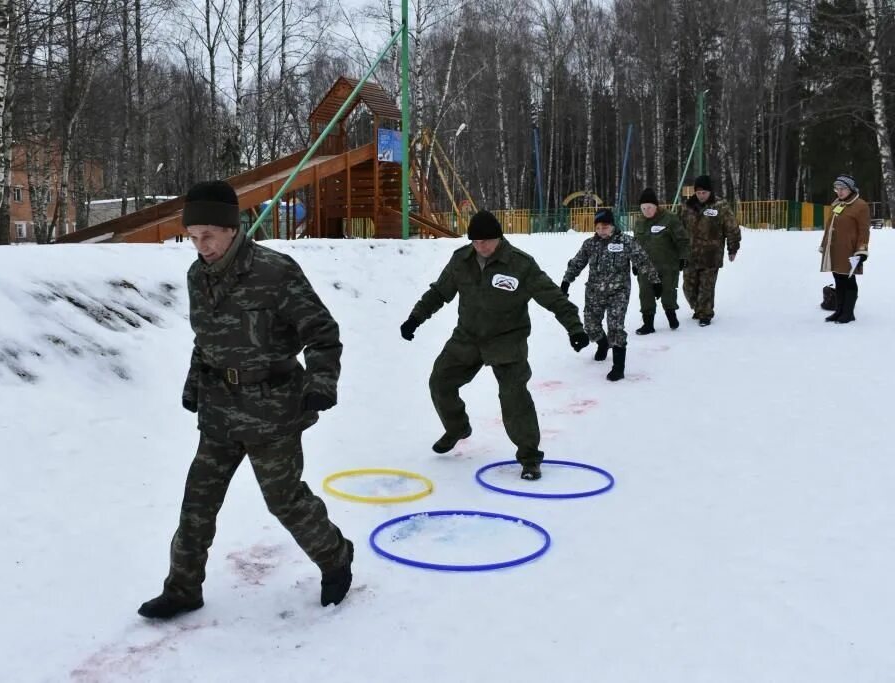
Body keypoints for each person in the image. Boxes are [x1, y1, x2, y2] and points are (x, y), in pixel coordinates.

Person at [138, 180, 353, 620]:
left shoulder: (276, 272)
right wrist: (194, 385)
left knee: (285, 500)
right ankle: (182, 588)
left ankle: (335, 557)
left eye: (209, 235)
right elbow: (207, 339)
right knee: (197, 502)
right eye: (193, 237)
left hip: (272, 410)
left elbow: (322, 335)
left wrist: (322, 383)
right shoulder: (198, 276)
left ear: (232, 228)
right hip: (219, 409)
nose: (201, 246)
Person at [400, 210, 588, 481]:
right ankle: (457, 428)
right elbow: (439, 292)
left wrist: (574, 328)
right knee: (440, 382)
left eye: (486, 241)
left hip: (507, 341)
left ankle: (529, 458)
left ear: (498, 237)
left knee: (514, 398)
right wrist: (415, 318)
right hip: (467, 337)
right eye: (476, 242)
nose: (481, 247)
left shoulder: (520, 264)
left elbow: (553, 297)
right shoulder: (461, 260)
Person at [561, 208, 661, 382]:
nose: (601, 231)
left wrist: (655, 281)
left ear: (613, 226)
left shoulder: (626, 242)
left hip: (618, 292)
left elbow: (643, 260)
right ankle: (602, 343)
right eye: (598, 227)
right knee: (590, 326)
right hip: (594, 292)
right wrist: (566, 282)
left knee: (615, 327)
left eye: (605, 227)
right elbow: (577, 263)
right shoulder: (590, 244)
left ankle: (618, 366)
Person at [679, 175, 740, 326]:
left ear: (710, 192)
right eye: (698, 193)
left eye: (704, 193)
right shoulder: (686, 206)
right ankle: (698, 307)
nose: (701, 196)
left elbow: (731, 228)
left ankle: (705, 314)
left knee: (706, 286)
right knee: (688, 286)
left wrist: (733, 248)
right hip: (690, 254)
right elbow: (678, 229)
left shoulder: (720, 206)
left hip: (711, 254)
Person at [632, 188, 690, 333]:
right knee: (645, 293)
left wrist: (683, 257)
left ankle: (671, 315)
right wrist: (634, 263)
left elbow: (682, 239)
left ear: (656, 206)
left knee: (668, 293)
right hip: (645, 267)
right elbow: (635, 245)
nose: (646, 211)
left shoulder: (669, 219)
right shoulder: (639, 222)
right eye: (643, 208)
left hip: (668, 265)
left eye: (649, 207)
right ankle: (648, 324)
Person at [820, 174, 870, 323]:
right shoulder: (837, 204)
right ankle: (839, 310)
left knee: (848, 280)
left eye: (843, 188)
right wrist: (824, 245)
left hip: (850, 250)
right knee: (838, 279)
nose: (840, 191)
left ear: (851, 189)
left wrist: (861, 250)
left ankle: (848, 313)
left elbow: (864, 230)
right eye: (837, 188)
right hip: (835, 249)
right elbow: (829, 227)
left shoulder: (860, 205)